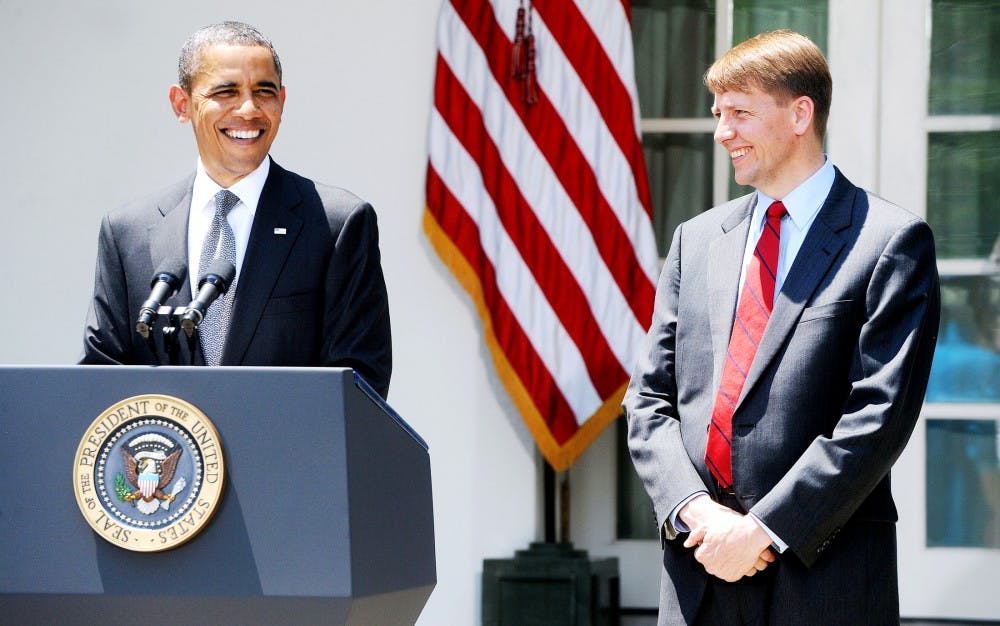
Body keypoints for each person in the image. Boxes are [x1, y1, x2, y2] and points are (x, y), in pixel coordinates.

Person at [624, 30, 939, 624]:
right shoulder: (696, 240)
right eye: (719, 115)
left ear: (801, 113)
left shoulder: (890, 242)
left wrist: (765, 531)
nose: (722, 133)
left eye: (740, 113)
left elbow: (878, 416)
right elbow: (648, 400)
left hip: (822, 577)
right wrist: (696, 511)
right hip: (697, 567)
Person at [80, 21, 391, 398]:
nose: (248, 109)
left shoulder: (336, 224)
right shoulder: (127, 232)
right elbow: (100, 381)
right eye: (226, 92)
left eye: (265, 92)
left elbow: (358, 387)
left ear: (283, 101)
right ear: (182, 104)